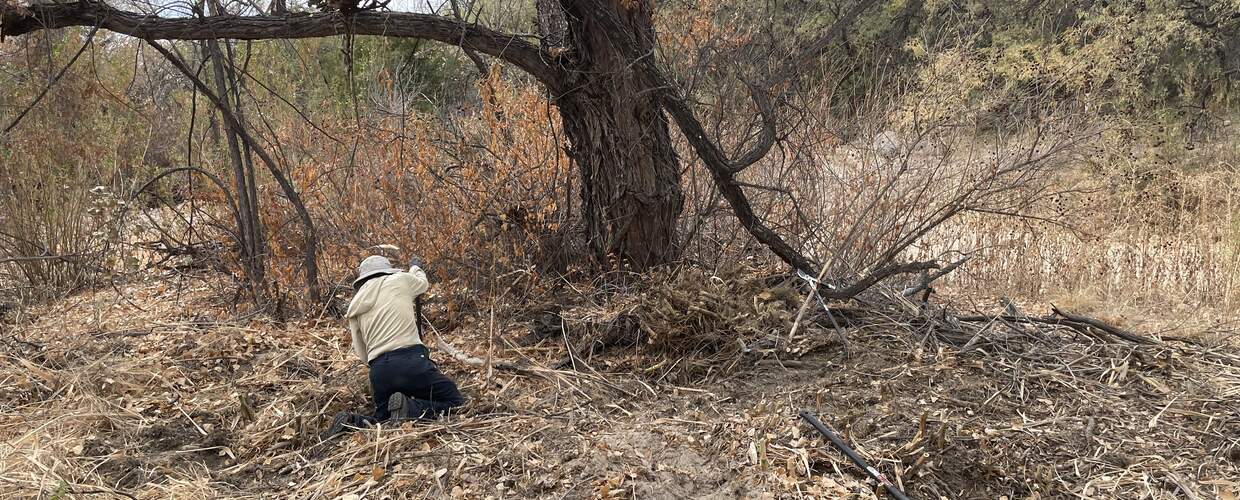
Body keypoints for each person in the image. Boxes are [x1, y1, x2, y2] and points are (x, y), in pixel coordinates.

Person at [326, 255, 464, 436]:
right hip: (412, 361)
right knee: (454, 401)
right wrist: (415, 267)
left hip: (379, 371)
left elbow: (361, 351)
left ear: (363, 279)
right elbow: (422, 283)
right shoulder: (399, 280)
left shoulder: (355, 305)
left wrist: (381, 365)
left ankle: (353, 422)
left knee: (383, 419)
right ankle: (412, 409)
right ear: (387, 270)